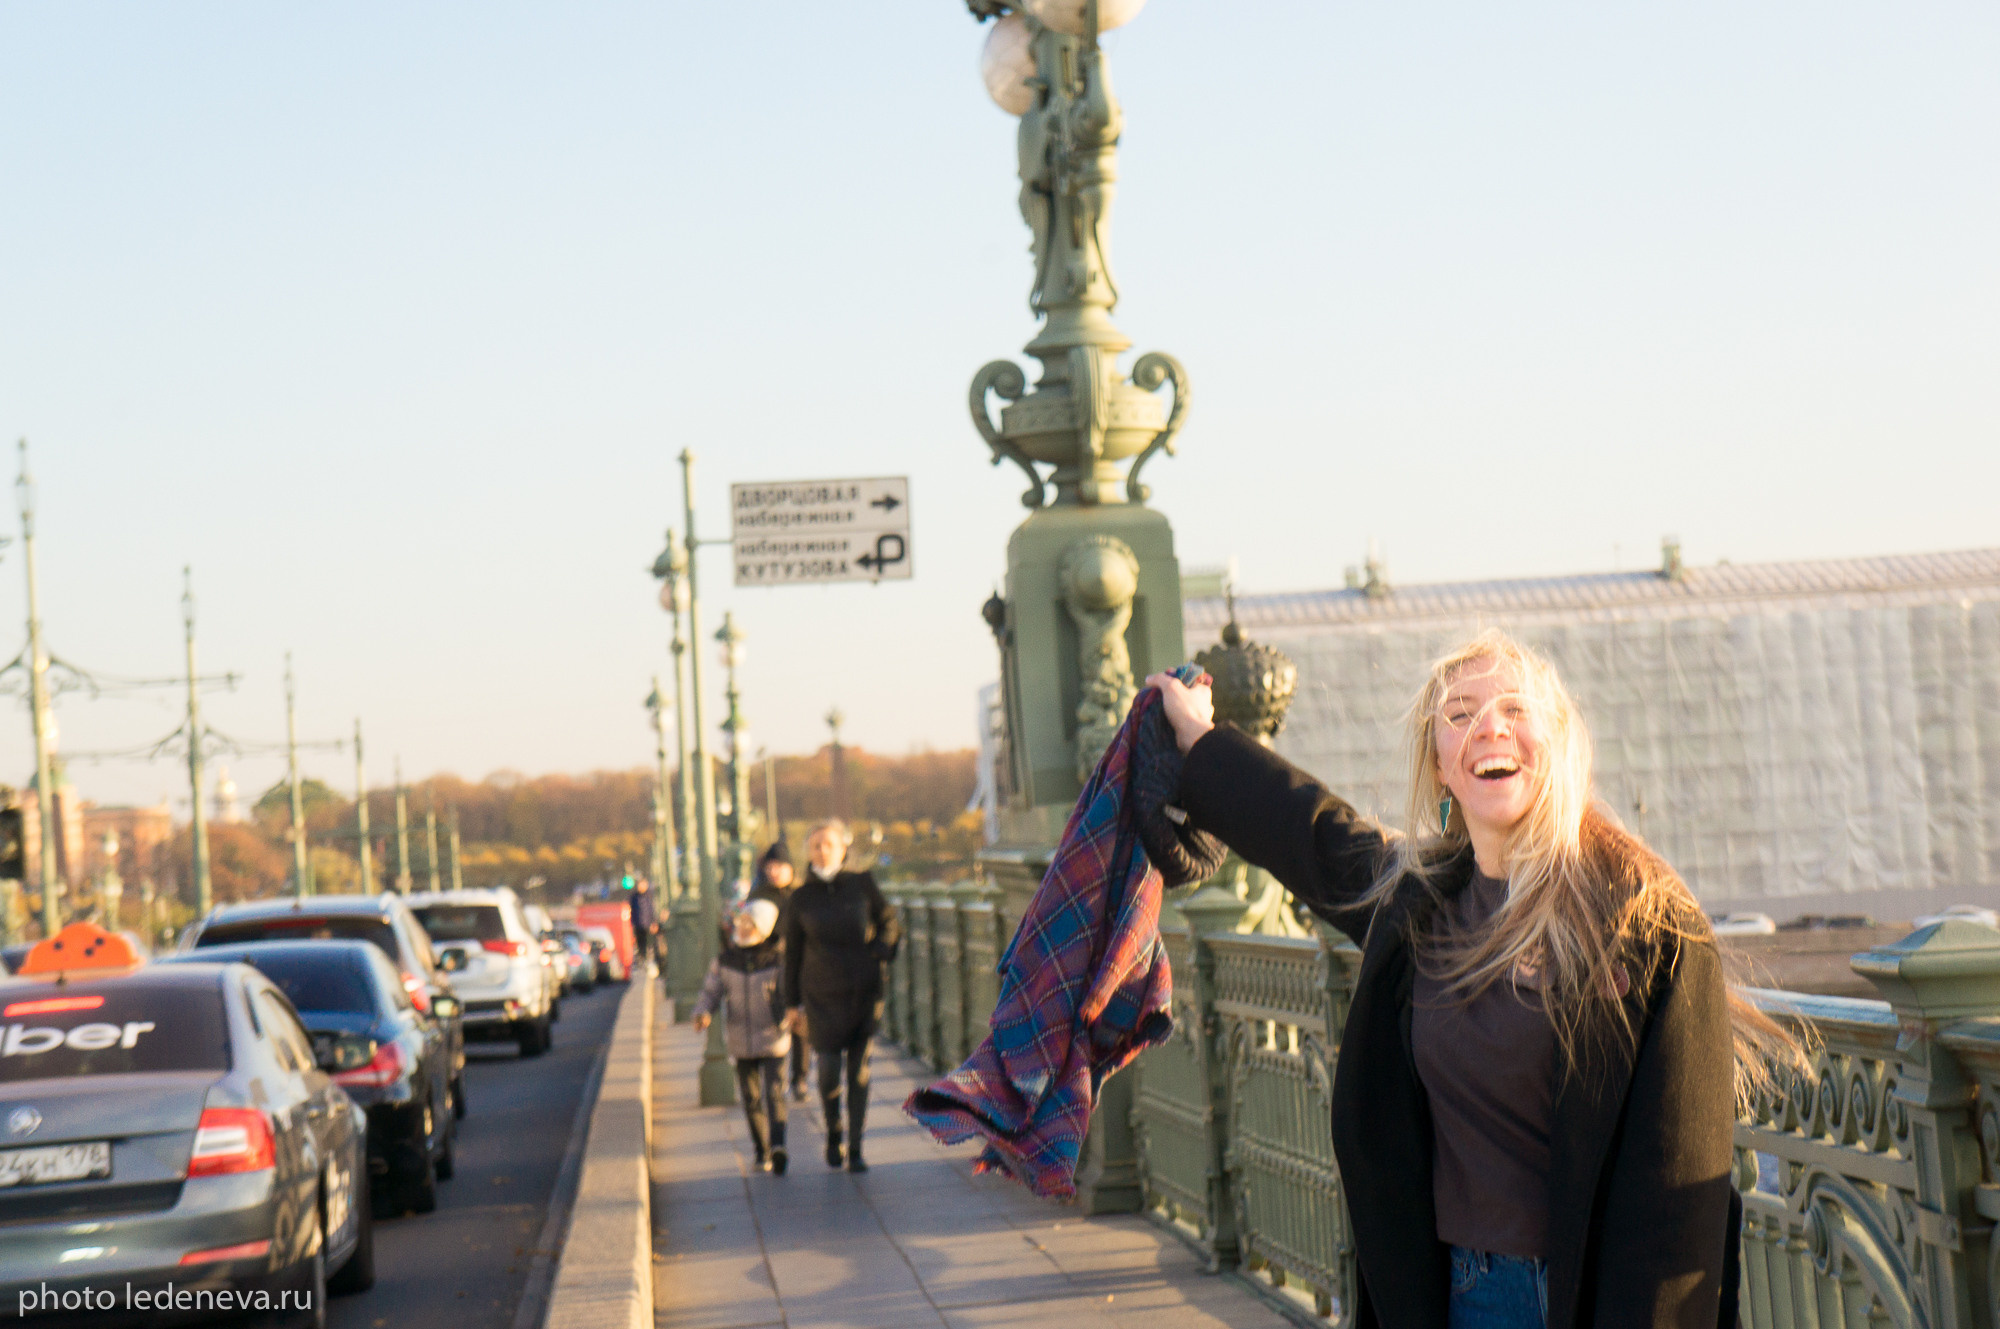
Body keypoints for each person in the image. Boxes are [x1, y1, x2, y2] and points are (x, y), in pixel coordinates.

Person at [1145, 630, 1790, 1329]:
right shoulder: (1417, 904)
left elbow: (1675, 1190)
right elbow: (1314, 835)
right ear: (1441, 764)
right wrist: (1200, 738)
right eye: (1460, 714)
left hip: (1598, 1300)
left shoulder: (1646, 921)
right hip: (1464, 1295)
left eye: (1516, 708)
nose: (1489, 726)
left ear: (1558, 744)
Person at [781, 819, 899, 1173]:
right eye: (815, 845)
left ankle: (857, 1148)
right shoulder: (801, 898)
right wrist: (791, 1004)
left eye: (828, 844)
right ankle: (834, 1130)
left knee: (859, 1073)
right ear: (809, 852)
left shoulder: (862, 884)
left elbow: (890, 921)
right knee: (829, 1072)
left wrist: (879, 950)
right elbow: (793, 956)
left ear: (842, 848)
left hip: (864, 992)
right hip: (821, 995)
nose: (822, 850)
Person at [692, 898, 792, 1174]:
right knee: (750, 1097)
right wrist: (702, 1012)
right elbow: (711, 992)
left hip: (774, 1036)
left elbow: (791, 994)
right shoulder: (726, 961)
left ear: (763, 928)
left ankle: (779, 1145)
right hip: (740, 1038)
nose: (742, 926)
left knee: (774, 1093)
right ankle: (762, 1150)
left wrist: (793, 1014)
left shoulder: (778, 960)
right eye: (741, 921)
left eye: (749, 923)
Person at [748, 841, 810, 1101]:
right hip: (767, 968)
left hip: (797, 968)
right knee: (771, 1024)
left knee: (799, 1024)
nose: (775, 871)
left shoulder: (801, 896)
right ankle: (776, 1077)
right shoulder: (758, 895)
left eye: (780, 866)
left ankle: (800, 1077)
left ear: (790, 868)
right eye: (771, 866)